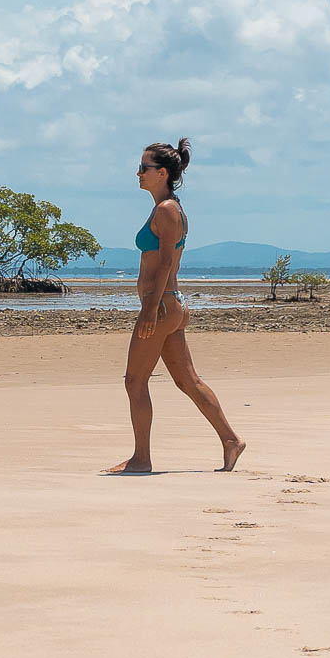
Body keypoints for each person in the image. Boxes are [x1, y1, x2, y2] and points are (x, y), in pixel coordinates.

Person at [104, 138, 246, 475]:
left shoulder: (167, 210)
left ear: (162, 172)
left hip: (162, 305)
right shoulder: (168, 207)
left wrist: (150, 310)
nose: (138, 173)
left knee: (134, 381)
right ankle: (231, 440)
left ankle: (141, 458)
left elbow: (166, 261)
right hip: (172, 305)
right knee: (188, 381)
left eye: (144, 168)